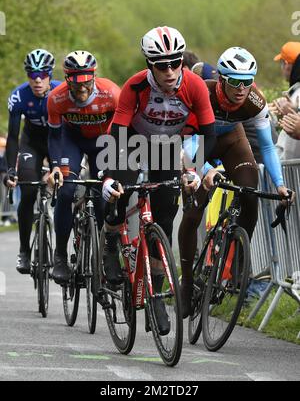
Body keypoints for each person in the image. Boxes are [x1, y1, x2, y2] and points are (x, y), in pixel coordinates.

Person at [101, 26, 216, 335]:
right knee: (119, 193)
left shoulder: (194, 85)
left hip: (166, 148)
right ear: (149, 64)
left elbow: (208, 133)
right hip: (133, 142)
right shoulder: (135, 86)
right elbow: (118, 131)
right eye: (161, 64)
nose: (169, 71)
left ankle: (155, 299)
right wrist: (111, 176)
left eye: (175, 62)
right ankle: (111, 239)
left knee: (164, 219)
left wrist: (193, 169)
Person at [178, 46, 293, 318]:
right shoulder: (201, 93)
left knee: (250, 192)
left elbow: (266, 146)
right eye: (235, 82)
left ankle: (238, 262)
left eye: (247, 81)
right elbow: (188, 143)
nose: (242, 89)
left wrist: (279, 184)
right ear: (221, 80)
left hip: (232, 143)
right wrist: (205, 170)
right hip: (199, 145)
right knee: (193, 212)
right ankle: (186, 282)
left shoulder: (254, 100)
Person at [47, 50, 121, 284]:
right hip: (72, 142)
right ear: (67, 79)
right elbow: (54, 136)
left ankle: (108, 256)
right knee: (66, 190)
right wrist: (56, 166)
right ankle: (60, 256)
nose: (81, 90)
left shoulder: (111, 93)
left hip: (103, 143)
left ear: (94, 77)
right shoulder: (56, 98)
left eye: (86, 83)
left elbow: (122, 130)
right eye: (76, 84)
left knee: (104, 198)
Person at [3, 49, 61, 273]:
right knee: (27, 191)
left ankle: (65, 252)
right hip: (32, 143)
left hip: (58, 140)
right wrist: (10, 170)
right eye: (32, 74)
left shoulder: (61, 92)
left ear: (50, 74)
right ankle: (24, 250)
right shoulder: (19, 96)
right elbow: (12, 137)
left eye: (43, 74)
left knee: (68, 188)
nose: (37, 80)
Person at [269, 42, 300, 152]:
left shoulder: (297, 92)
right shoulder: (293, 93)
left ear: (287, 64)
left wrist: (291, 111)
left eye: (282, 63)